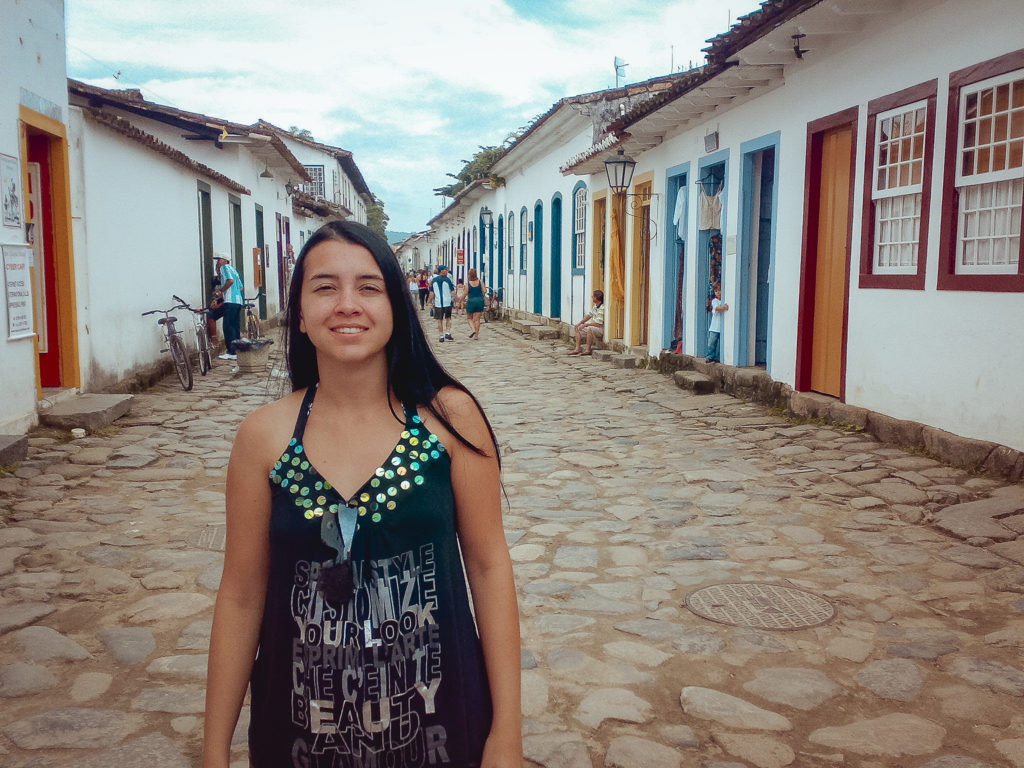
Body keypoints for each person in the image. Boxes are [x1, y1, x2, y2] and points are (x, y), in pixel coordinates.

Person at [202, 220, 521, 768]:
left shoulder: (449, 421)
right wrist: (212, 753)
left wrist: (507, 736)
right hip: (296, 736)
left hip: (443, 730)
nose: (348, 304)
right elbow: (241, 595)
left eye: (369, 287)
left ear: (397, 306)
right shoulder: (264, 437)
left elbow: (490, 569)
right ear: (299, 313)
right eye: (325, 287)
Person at [214, 253, 243, 360]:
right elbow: (241, 287)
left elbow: (230, 281)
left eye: (219, 260)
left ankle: (231, 352)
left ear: (226, 261)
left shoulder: (225, 268)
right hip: (238, 301)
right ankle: (237, 350)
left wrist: (221, 291)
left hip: (230, 301)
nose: (217, 262)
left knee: (228, 326)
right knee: (235, 326)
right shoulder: (234, 270)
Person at [569, 289, 605, 356]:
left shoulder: (602, 308)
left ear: (596, 298)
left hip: (600, 328)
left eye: (593, 296)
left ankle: (588, 350)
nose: (592, 298)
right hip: (594, 327)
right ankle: (577, 349)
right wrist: (580, 323)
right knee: (578, 328)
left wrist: (586, 324)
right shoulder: (595, 306)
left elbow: (598, 324)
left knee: (589, 329)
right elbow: (589, 315)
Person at [706, 281, 728, 362]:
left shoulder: (725, 300)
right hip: (714, 327)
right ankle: (710, 356)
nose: (718, 293)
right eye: (716, 291)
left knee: (721, 343)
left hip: (722, 328)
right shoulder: (714, 301)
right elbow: (716, 308)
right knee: (712, 343)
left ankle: (718, 357)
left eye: (719, 290)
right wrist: (724, 308)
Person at [432, 265, 455, 342]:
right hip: (447, 302)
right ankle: (447, 332)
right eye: (445, 269)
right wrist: (457, 299)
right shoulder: (447, 280)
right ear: (441, 271)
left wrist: (429, 301)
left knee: (439, 320)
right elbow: (452, 291)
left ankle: (441, 336)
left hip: (438, 303)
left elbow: (432, 293)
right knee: (448, 318)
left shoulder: (434, 280)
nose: (447, 271)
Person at [465, 268, 486, 340]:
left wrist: (460, 301)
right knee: (477, 319)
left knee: (469, 318)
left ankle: (473, 330)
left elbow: (465, 293)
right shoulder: (480, 282)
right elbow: (485, 290)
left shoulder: (468, 283)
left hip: (471, 301)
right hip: (480, 301)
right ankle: (476, 336)